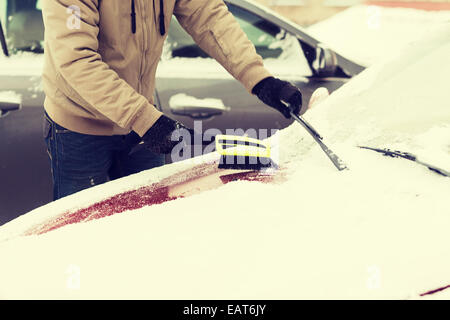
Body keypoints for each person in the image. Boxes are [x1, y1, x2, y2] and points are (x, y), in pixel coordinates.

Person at [41, 0, 305, 200]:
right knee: (80, 236)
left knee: (151, 226)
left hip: (141, 122)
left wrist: (258, 78)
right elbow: (76, 60)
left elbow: (208, 16)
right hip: (79, 129)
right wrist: (147, 121)